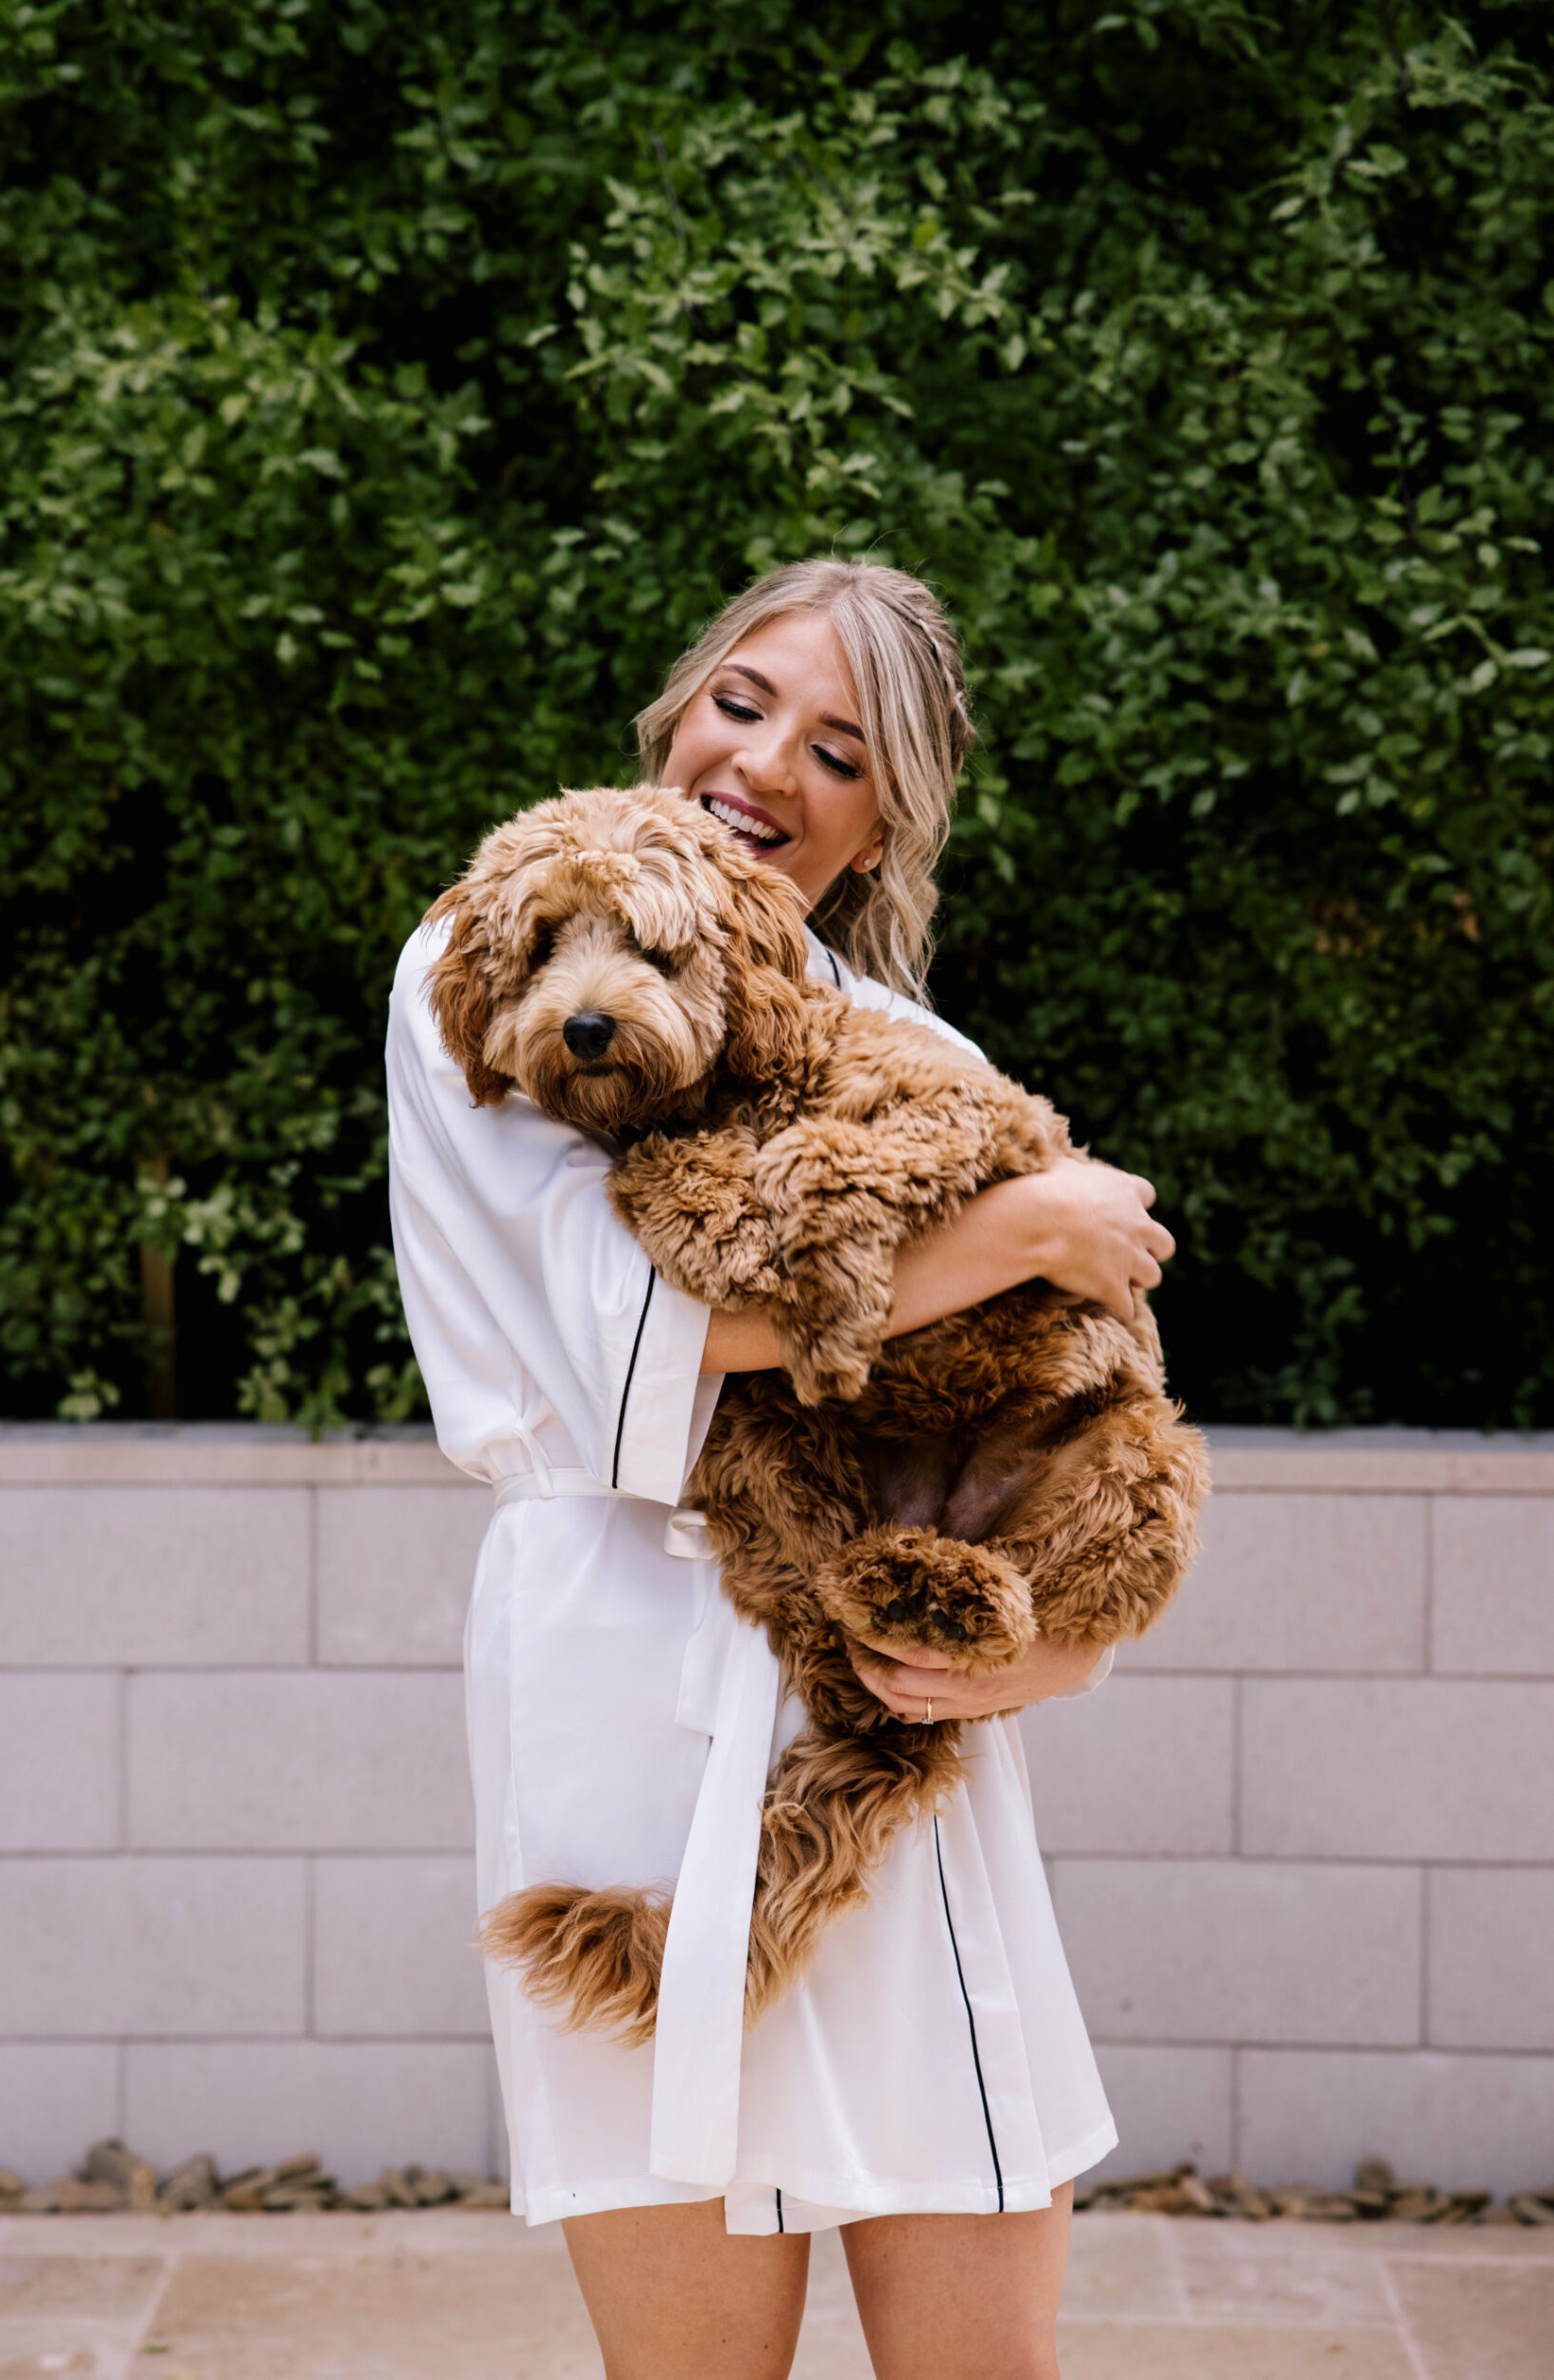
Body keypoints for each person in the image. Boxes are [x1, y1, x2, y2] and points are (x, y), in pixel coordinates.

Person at [386, 559, 1176, 2380]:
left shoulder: (909, 1050)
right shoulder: (485, 954)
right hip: (611, 1651)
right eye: (743, 702)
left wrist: (1070, 1642)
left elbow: (1076, 1402)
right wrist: (1017, 1227)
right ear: (681, 705)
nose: (764, 765)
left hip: (881, 1699)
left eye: (838, 748)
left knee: (981, 2347)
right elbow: (613, 1326)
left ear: (883, 815)